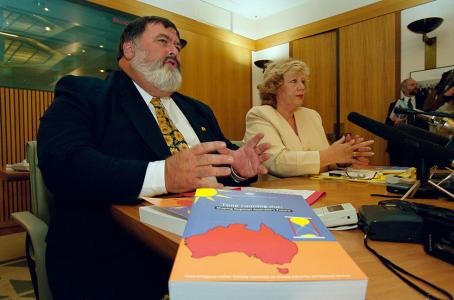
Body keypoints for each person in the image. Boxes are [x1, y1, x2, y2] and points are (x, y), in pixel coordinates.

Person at [37, 16, 270, 300]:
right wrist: (163, 176)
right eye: (163, 41)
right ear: (129, 49)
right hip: (118, 255)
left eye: (178, 45)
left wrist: (237, 171)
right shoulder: (85, 94)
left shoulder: (199, 110)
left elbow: (214, 165)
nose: (174, 50)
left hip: (216, 241)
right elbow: (63, 164)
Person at [243, 58, 374, 177]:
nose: (302, 87)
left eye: (303, 81)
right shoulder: (259, 115)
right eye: (294, 81)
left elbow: (326, 163)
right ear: (274, 87)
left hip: (321, 191)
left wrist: (344, 158)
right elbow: (276, 162)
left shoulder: (312, 115)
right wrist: (331, 155)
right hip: (280, 195)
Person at [385, 78, 428, 166]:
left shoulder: (424, 102)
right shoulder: (394, 104)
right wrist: (395, 123)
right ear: (404, 88)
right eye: (412, 85)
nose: (416, 86)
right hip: (399, 146)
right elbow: (387, 125)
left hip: (418, 144)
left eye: (416, 84)